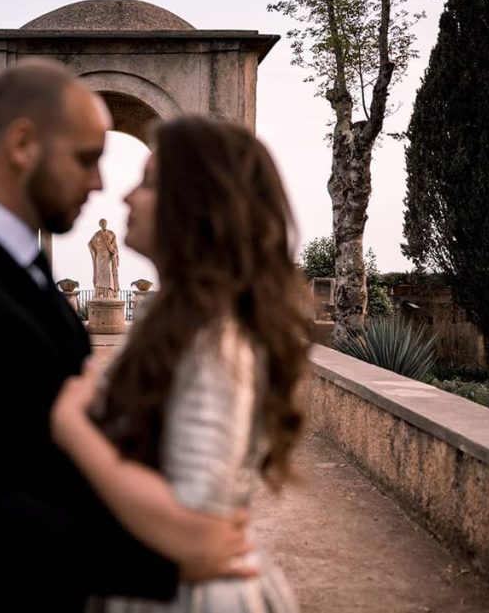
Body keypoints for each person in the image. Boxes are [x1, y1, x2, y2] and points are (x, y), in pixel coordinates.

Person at [0, 62, 254, 613]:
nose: (100, 183)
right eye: (85, 158)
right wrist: (170, 559)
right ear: (24, 144)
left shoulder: (15, 268)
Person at [51, 116, 310, 612]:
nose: (125, 197)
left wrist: (72, 425)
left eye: (147, 184)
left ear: (195, 206)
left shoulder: (216, 338)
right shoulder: (178, 321)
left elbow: (198, 530)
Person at [89, 218, 120, 298]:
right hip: (99, 257)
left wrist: (114, 254)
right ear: (100, 225)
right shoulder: (97, 234)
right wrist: (95, 250)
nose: (103, 224)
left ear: (106, 224)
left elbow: (115, 246)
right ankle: (100, 293)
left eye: (104, 223)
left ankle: (109, 293)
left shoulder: (111, 233)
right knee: (100, 274)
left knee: (108, 273)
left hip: (108, 257)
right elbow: (90, 244)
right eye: (101, 223)